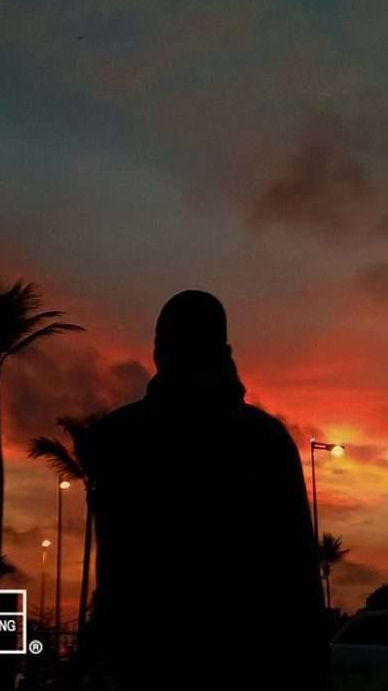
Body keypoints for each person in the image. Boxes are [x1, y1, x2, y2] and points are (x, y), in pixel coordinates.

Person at [92, 290, 330, 690]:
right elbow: (298, 574)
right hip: (250, 659)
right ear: (225, 352)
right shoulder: (264, 439)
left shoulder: (120, 436)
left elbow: (115, 566)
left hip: (153, 658)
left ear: (158, 351)